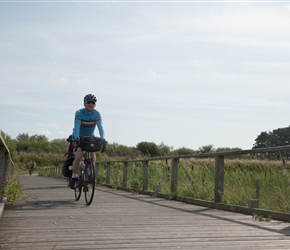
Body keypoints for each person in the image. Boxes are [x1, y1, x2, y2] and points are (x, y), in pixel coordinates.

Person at [69, 94, 106, 189]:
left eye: (93, 102)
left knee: (92, 154)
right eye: (88, 102)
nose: (90, 104)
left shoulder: (97, 114)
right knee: (78, 156)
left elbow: (100, 126)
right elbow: (77, 126)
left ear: (95, 104)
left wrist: (103, 138)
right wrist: (76, 137)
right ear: (84, 103)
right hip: (79, 137)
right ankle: (73, 176)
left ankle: (90, 171)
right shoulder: (79, 112)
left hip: (90, 137)